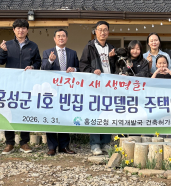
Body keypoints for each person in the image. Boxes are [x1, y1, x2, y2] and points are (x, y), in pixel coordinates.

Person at [0, 19, 42, 154]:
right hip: (10, 84)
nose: (20, 30)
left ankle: (24, 142)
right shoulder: (7, 44)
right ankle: (9, 143)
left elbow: (38, 62)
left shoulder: (33, 46)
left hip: (26, 84)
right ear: (14, 30)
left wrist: (33, 66)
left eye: (23, 28)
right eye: (18, 28)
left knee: (25, 111)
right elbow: (0, 61)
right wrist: (3, 51)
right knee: (8, 112)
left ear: (27, 30)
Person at [80, 20, 117, 155]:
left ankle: (106, 143)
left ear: (108, 32)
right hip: (95, 87)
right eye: (100, 29)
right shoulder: (89, 47)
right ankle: (95, 144)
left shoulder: (111, 48)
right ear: (95, 31)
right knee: (95, 113)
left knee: (108, 113)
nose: (102, 32)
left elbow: (115, 68)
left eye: (105, 30)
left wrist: (112, 59)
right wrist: (92, 71)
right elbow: (82, 65)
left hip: (109, 86)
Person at [41, 28, 79, 156]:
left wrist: (74, 69)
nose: (61, 38)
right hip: (52, 90)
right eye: (58, 36)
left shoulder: (72, 53)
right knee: (51, 116)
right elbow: (43, 68)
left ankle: (64, 146)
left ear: (66, 38)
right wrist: (50, 61)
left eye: (63, 36)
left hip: (67, 90)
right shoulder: (47, 52)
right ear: (54, 38)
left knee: (65, 116)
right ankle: (52, 147)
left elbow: (79, 68)